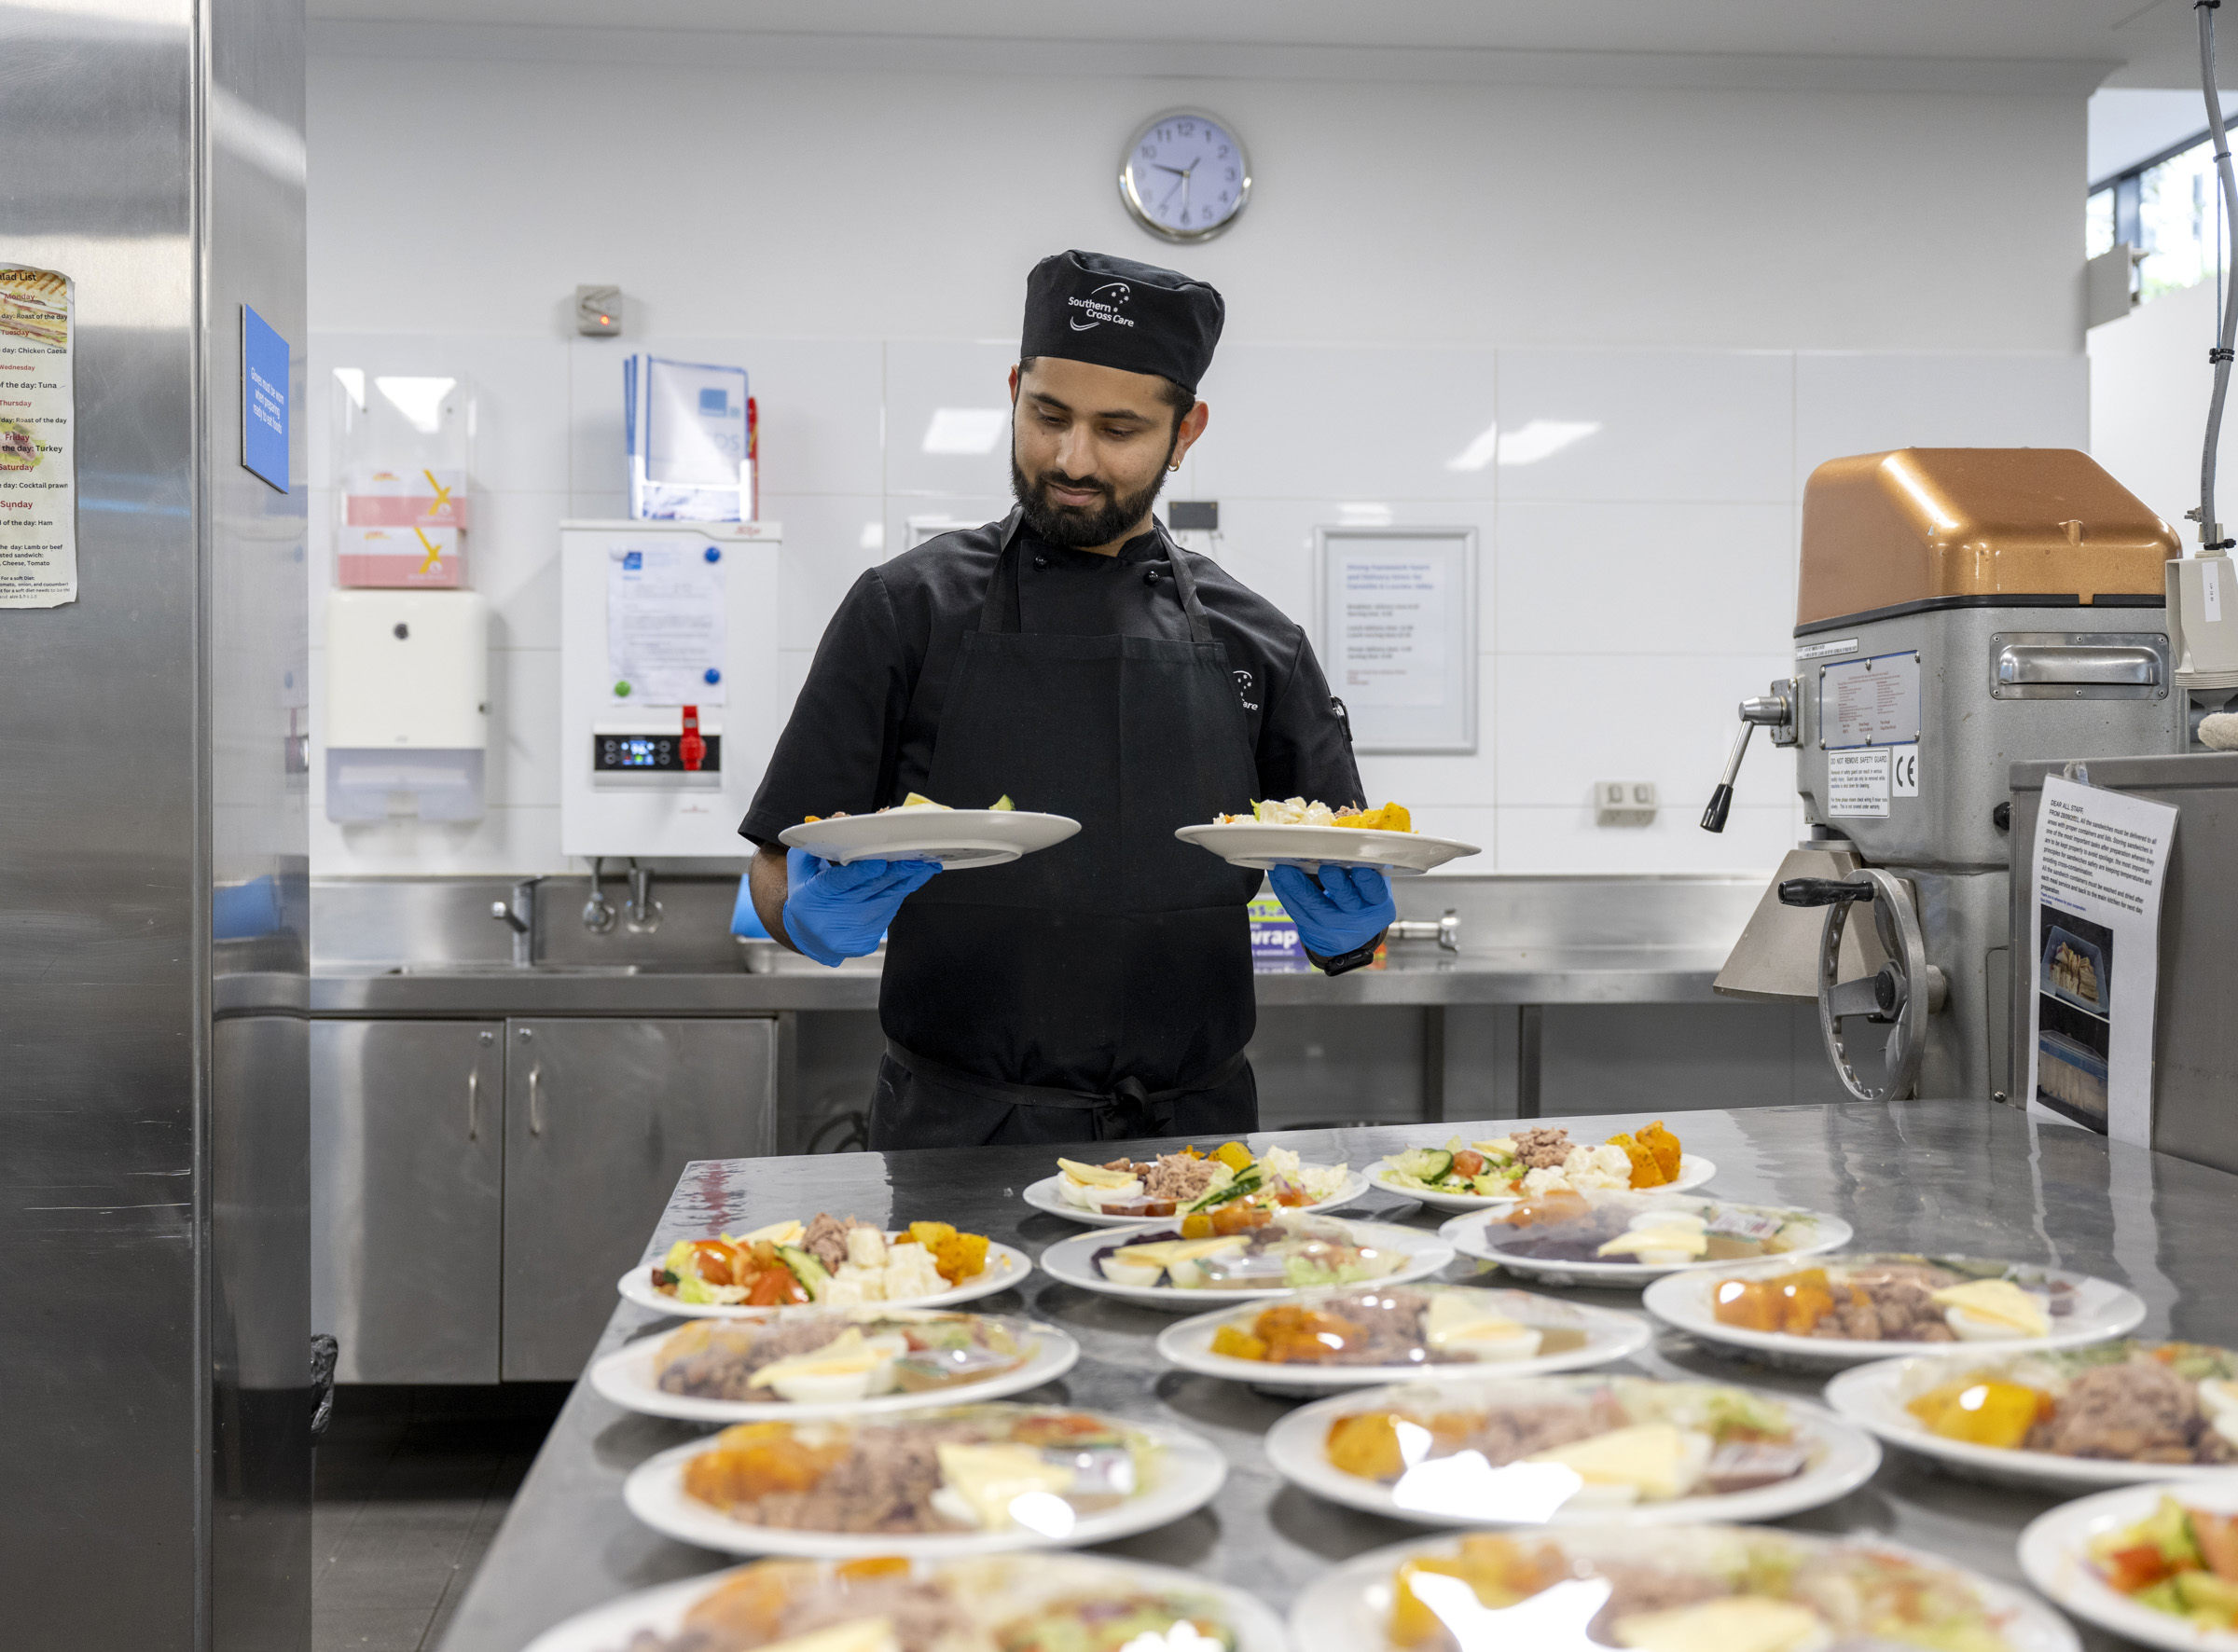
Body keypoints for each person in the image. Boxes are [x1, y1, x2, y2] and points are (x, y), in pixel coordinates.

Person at [739, 249, 1393, 1148]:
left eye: (1119, 429)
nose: (1071, 458)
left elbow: (1344, 879)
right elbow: (775, 868)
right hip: (954, 1135)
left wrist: (1350, 930)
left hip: (1190, 1143)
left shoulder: (1259, 642)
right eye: (1048, 415)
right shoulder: (905, 611)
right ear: (1015, 391)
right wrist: (806, 920)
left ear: (1186, 431)